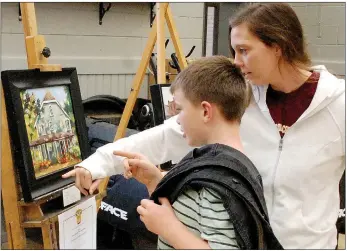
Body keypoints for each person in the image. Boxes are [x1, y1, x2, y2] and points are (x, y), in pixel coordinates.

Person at [63, 3, 345, 249]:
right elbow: (164, 136)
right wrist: (96, 164)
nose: (236, 62)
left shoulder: (339, 105)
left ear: (278, 46)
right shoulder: (242, 99)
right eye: (234, 51)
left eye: (244, 50)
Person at [117, 55, 281, 249]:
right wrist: (155, 181)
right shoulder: (216, 166)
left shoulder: (219, 182)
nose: (177, 120)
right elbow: (193, 217)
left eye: (180, 109)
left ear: (205, 111)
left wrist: (168, 229)